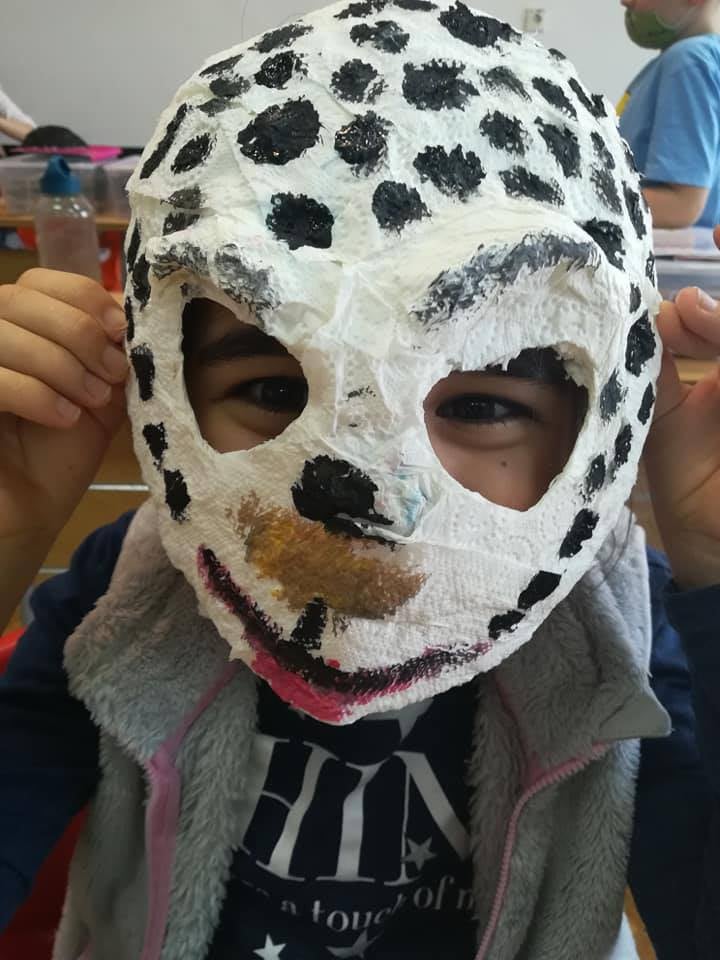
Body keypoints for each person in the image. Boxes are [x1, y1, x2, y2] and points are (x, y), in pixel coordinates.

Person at [0, 3, 718, 958]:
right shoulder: (122, 602)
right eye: (273, 389)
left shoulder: (623, 640)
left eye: (479, 405)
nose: (375, 495)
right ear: (163, 384)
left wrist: (716, 575)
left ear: (599, 416)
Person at [619, 0, 720, 229]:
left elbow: (681, 206)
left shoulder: (688, 61)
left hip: (672, 249)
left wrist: (580, 203)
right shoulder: (684, 61)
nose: (624, 1)